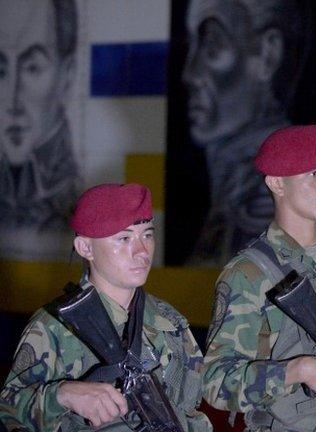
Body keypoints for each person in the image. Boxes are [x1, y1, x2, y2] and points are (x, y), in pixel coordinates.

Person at [202, 125, 316, 431]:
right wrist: (295, 370)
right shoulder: (250, 273)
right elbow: (215, 382)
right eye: (314, 174)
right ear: (277, 183)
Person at [0, 183, 212, 431]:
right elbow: (8, 409)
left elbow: (190, 412)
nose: (142, 251)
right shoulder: (54, 326)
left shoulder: (169, 321)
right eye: (124, 238)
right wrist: (63, 395)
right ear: (85, 248)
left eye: (147, 234)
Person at [182, 0, 310, 265]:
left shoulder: (261, 206)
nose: (189, 74)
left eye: (212, 46)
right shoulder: (243, 192)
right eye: (191, 44)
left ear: (268, 55)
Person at [0, 0, 80, 235]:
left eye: (32, 68)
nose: (12, 101)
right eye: (0, 70)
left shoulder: (80, 192)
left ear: (67, 76)